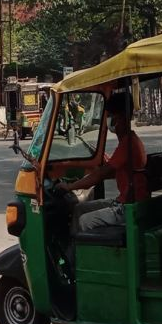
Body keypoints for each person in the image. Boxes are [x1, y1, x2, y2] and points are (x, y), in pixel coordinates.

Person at [57, 92, 149, 233]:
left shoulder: (128, 144)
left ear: (121, 118)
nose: (108, 120)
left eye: (111, 116)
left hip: (128, 207)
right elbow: (112, 171)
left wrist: (69, 187)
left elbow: (100, 175)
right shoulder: (129, 141)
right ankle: (74, 246)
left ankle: (80, 247)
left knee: (85, 220)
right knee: (80, 208)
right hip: (125, 202)